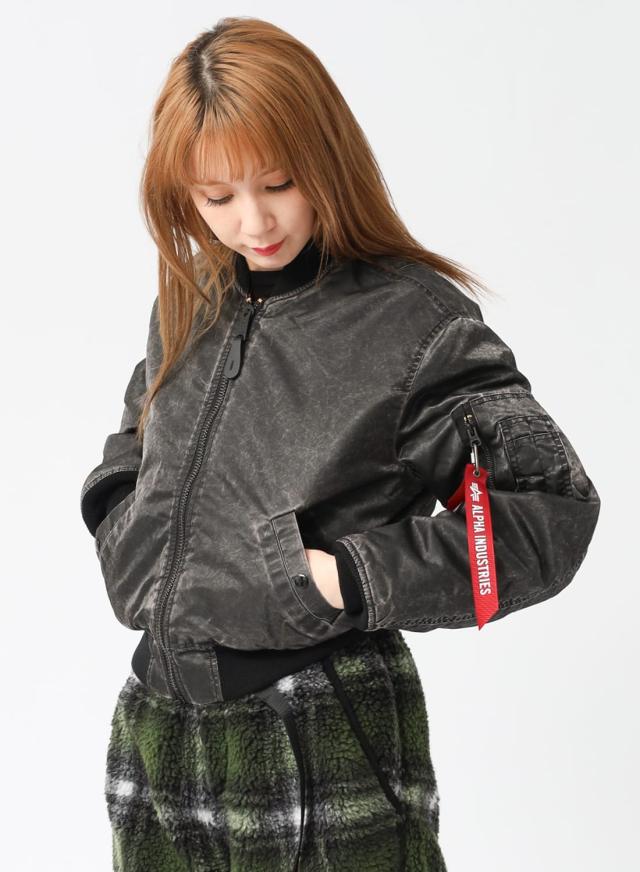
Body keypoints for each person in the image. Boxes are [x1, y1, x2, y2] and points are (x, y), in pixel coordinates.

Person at [80, 16, 601, 872]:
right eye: (216, 197)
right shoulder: (193, 297)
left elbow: (547, 509)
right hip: (157, 726)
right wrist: (115, 510)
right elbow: (147, 421)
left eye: (278, 183)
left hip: (317, 725)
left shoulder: (413, 323)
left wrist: (351, 576)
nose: (253, 221)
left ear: (325, 158)